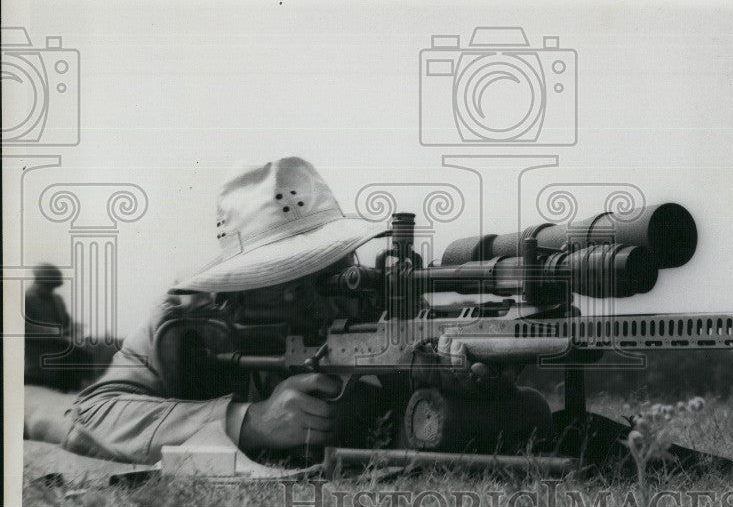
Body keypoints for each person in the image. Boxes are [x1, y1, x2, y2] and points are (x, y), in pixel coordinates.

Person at [62, 157, 551, 465]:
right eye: (289, 278)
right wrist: (250, 421)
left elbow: (437, 376)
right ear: (242, 284)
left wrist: (464, 381)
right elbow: (94, 415)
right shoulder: (184, 322)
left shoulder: (373, 297)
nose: (314, 296)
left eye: (329, 268)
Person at [24, 263, 91, 391]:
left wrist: (75, 329)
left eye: (53, 286)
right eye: (48, 286)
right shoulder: (25, 299)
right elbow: (22, 329)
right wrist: (55, 332)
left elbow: (66, 322)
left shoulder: (57, 300)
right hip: (36, 366)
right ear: (38, 280)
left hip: (63, 364)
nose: (51, 290)